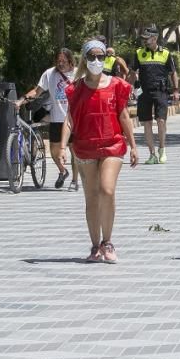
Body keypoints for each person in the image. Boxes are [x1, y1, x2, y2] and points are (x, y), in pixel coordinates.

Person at [59, 40, 139, 262]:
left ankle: (108, 241)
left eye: (100, 57)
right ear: (85, 59)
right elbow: (70, 119)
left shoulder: (117, 85)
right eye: (92, 57)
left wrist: (133, 145)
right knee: (92, 197)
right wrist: (63, 147)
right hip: (85, 147)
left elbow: (123, 116)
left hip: (112, 144)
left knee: (107, 190)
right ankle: (95, 245)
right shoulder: (75, 89)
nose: (96, 61)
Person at [18, 49, 78, 190]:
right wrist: (22, 100)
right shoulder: (49, 74)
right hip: (57, 118)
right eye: (58, 61)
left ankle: (75, 181)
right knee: (54, 151)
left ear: (70, 61)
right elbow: (37, 91)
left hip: (74, 119)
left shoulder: (78, 74)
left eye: (64, 61)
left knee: (74, 150)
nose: (60, 64)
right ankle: (63, 171)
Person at [129, 26, 179, 165]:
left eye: (147, 38)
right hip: (144, 92)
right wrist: (129, 88)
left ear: (155, 38)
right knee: (146, 122)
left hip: (161, 91)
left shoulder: (165, 53)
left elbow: (173, 73)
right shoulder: (139, 53)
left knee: (161, 120)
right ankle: (152, 154)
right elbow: (133, 72)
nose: (145, 41)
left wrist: (175, 90)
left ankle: (162, 150)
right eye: (144, 39)